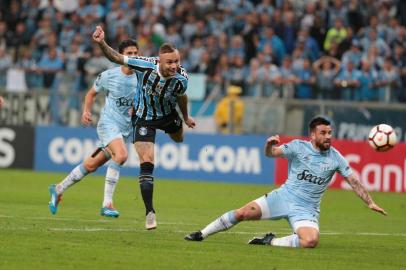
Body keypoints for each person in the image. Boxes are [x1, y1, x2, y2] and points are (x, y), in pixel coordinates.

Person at [185, 117, 387, 248]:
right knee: (241, 213)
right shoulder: (298, 147)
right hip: (282, 197)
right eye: (323, 133)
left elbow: (353, 181)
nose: (328, 137)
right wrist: (268, 146)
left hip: (306, 209)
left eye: (330, 133)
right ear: (313, 135)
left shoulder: (336, 157)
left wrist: (369, 202)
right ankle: (201, 234)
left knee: (310, 241)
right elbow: (271, 154)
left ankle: (269, 241)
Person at [92, 26, 196, 230]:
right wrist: (102, 43)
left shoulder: (182, 78)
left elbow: (182, 96)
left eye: (177, 61)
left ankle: (177, 129)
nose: (174, 66)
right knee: (147, 161)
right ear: (160, 60)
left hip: (167, 116)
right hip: (144, 118)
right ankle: (150, 212)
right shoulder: (145, 65)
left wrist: (185, 117)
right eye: (170, 62)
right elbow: (116, 58)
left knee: (179, 139)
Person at [48, 39, 140, 218]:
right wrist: (86, 112)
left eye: (136, 53)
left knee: (91, 165)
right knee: (121, 155)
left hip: (125, 129)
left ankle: (58, 189)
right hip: (108, 124)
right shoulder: (109, 75)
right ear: (121, 56)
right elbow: (91, 94)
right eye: (129, 54)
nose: (134, 57)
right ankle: (107, 204)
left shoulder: (142, 77)